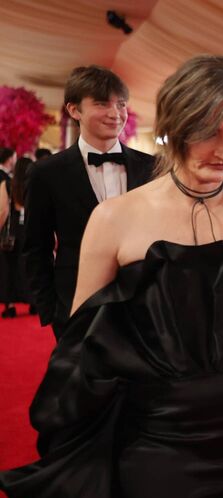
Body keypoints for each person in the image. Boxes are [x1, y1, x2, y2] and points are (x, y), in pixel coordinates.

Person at [0, 55, 223, 498]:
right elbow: (84, 354)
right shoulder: (115, 218)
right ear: (176, 127)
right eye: (210, 131)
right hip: (155, 438)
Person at [24, 65, 154, 340]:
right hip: (75, 304)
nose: (115, 114)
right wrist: (50, 310)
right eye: (101, 103)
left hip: (143, 306)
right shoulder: (46, 173)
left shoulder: (152, 167)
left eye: (121, 104)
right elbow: (36, 247)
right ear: (74, 110)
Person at [0, 157, 34, 318]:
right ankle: (34, 303)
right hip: (30, 229)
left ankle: (10, 305)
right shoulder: (36, 184)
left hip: (11, 233)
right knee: (31, 267)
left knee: (8, 268)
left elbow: (3, 211)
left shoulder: (7, 184)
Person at [0, 148, 18, 318]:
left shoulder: (7, 180)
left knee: (6, 267)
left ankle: (9, 302)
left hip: (7, 231)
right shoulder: (6, 180)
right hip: (13, 229)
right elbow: (3, 210)